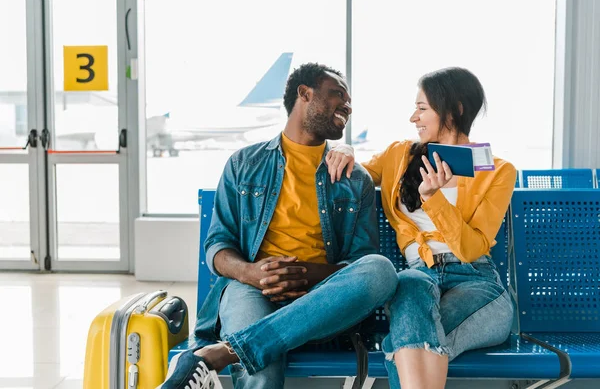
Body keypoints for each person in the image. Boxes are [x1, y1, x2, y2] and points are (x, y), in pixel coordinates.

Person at [157, 63, 398, 389]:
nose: (348, 106)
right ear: (304, 94)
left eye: (349, 100)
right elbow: (217, 245)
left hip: (322, 300)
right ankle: (242, 346)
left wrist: (302, 275)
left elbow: (360, 262)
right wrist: (253, 273)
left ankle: (222, 353)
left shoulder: (355, 179)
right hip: (252, 288)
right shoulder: (244, 164)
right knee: (262, 366)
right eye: (338, 94)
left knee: (381, 270)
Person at [326, 67, 516, 389]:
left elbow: (470, 248)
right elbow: (359, 171)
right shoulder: (399, 155)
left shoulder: (497, 171)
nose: (413, 117)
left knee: (405, 338)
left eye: (422, 108)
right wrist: (345, 149)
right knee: (409, 282)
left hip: (477, 283)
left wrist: (433, 199)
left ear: (454, 110)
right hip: (419, 275)